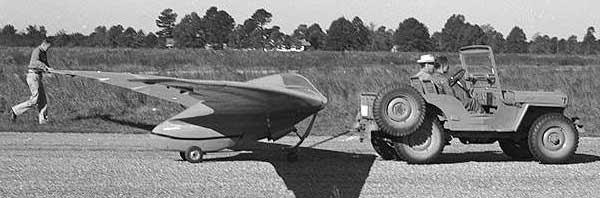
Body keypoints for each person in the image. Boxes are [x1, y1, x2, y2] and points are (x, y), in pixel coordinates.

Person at [7, 40, 53, 124]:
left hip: (38, 76)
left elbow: (46, 64)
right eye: (47, 47)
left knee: (43, 99)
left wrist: (50, 69)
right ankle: (15, 110)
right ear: (43, 44)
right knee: (35, 100)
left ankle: (43, 121)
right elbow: (35, 62)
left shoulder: (43, 53)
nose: (48, 49)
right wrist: (45, 67)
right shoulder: (37, 51)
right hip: (33, 76)